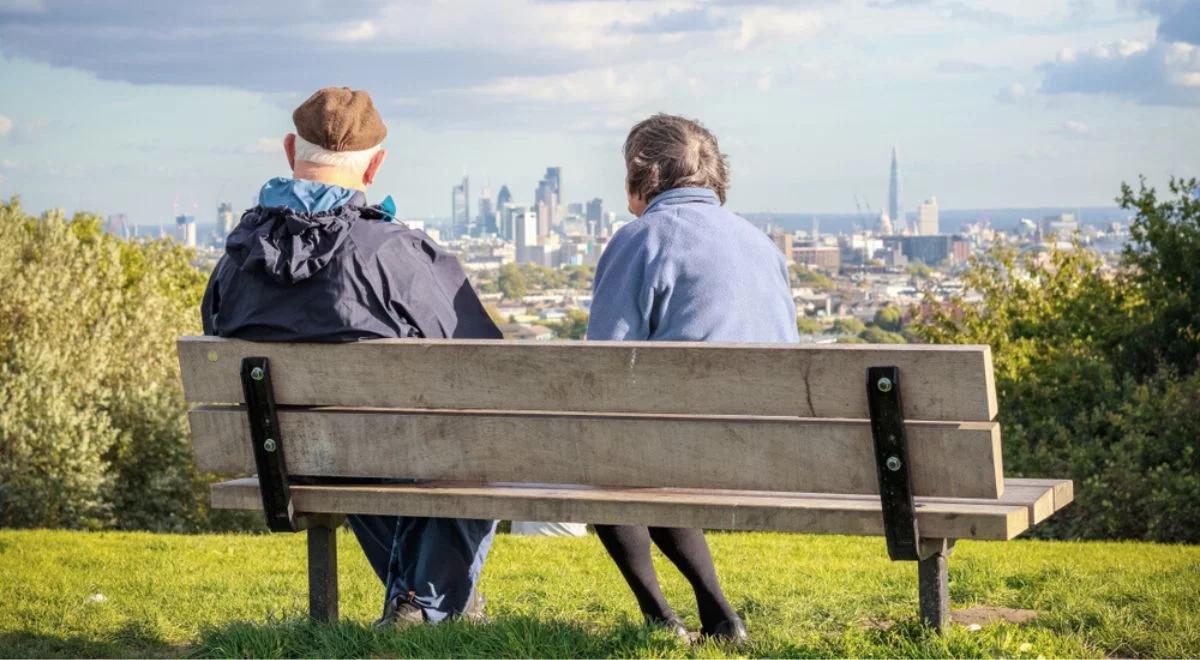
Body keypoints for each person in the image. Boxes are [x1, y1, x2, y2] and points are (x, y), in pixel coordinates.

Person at [201, 87, 501, 627]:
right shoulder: (395, 253)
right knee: (475, 439)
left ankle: (424, 598)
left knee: (357, 446)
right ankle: (426, 604)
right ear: (375, 166)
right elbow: (485, 363)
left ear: (292, 151)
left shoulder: (237, 259)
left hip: (292, 458)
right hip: (378, 452)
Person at [587, 114, 800, 642]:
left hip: (683, 448)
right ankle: (720, 619)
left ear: (643, 176)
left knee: (605, 451)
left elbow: (599, 369)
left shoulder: (641, 239)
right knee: (654, 444)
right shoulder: (762, 245)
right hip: (776, 450)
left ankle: (663, 617)